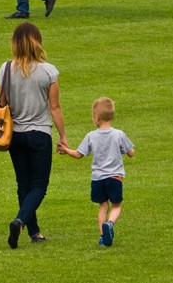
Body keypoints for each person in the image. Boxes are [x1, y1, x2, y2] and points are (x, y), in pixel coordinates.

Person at [1, 22, 66, 249]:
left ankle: (34, 231)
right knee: (39, 186)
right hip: (39, 134)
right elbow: (54, 108)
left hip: (14, 135)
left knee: (23, 185)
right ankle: (20, 222)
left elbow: (2, 103)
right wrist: (63, 136)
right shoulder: (49, 71)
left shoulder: (6, 69)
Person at [57, 97, 135, 248]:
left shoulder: (91, 136)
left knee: (103, 206)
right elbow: (131, 153)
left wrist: (66, 150)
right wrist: (128, 150)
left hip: (97, 178)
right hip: (115, 177)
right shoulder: (119, 134)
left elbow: (79, 154)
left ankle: (102, 237)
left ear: (96, 117)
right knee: (117, 205)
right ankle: (110, 224)